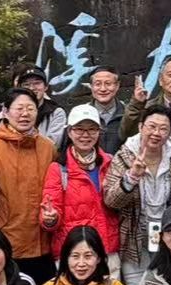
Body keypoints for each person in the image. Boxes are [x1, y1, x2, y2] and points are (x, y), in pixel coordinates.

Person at [0, 88, 58, 285]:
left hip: (42, 241)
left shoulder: (48, 147)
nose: (25, 114)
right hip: (6, 242)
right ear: (6, 112)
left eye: (30, 108)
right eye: (19, 108)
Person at [102, 104, 171, 285]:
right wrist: (131, 177)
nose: (157, 133)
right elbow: (110, 200)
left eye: (163, 128)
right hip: (134, 236)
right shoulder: (124, 156)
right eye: (152, 126)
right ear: (141, 126)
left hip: (166, 236)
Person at [41, 105, 118, 271]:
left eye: (92, 129)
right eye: (79, 129)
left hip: (107, 252)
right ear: (69, 132)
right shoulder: (58, 169)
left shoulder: (110, 163)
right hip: (73, 254)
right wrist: (50, 218)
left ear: (99, 132)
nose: (85, 135)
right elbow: (50, 214)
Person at [121, 55, 171, 154]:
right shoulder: (148, 108)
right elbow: (126, 134)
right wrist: (136, 104)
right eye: (170, 75)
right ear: (161, 80)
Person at [14, 66, 67, 149]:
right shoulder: (11, 111)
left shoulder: (56, 112)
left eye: (37, 83)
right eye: (26, 84)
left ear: (46, 87)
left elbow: (53, 145)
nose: (32, 88)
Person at [87, 66, 127, 155]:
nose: (103, 89)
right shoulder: (82, 115)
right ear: (91, 86)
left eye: (108, 84)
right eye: (98, 84)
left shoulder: (129, 115)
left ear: (117, 86)